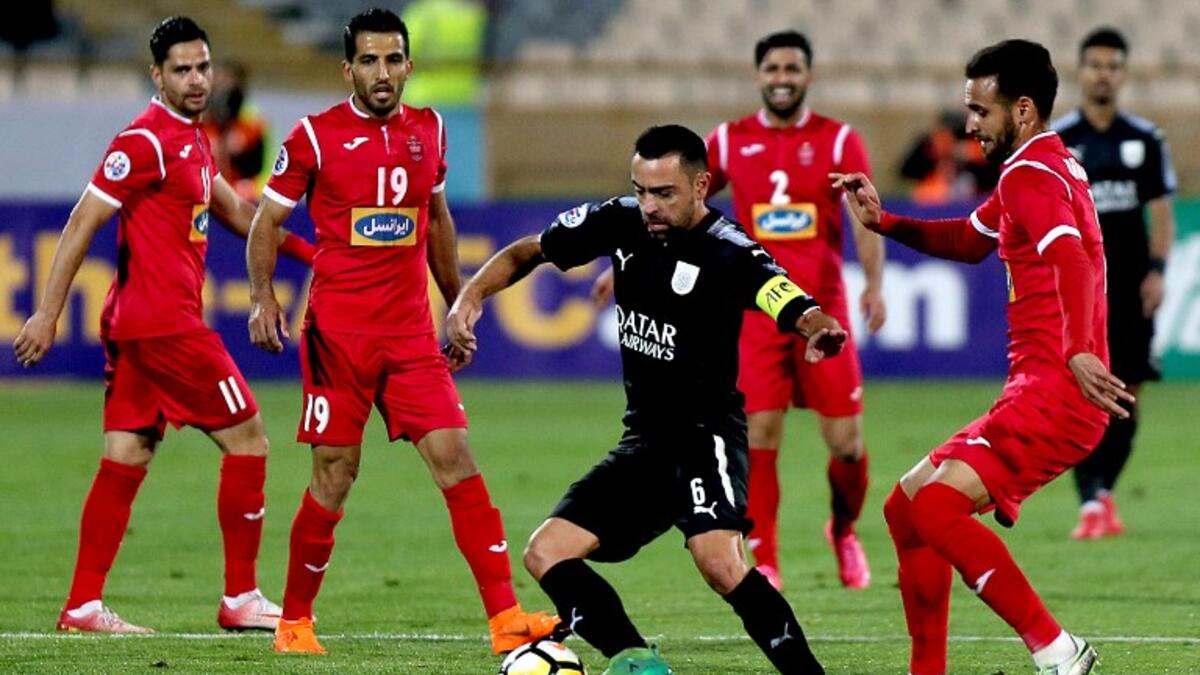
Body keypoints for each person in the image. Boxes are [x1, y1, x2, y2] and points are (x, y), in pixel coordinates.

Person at [449, 124, 841, 675]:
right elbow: (526, 252)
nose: (649, 206)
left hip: (705, 436)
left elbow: (781, 293)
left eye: (664, 193)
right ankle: (636, 662)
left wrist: (815, 325)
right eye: (641, 190)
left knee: (719, 563)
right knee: (545, 552)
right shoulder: (620, 222)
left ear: (701, 185)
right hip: (646, 444)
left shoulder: (728, 249)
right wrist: (469, 299)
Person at [245, 8, 556, 656]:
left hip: (412, 337)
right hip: (340, 338)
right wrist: (261, 298)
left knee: (457, 459)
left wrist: (457, 303)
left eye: (393, 60)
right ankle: (294, 622)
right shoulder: (314, 136)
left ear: (409, 65)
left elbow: (436, 217)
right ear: (347, 68)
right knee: (335, 474)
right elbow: (264, 223)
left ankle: (506, 617)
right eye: (369, 60)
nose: (383, 73)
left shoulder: (431, 129)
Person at [832, 39, 1130, 675]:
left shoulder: (1028, 175)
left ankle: (1057, 651)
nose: (968, 124)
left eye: (979, 110)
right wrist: (886, 222)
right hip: (1040, 387)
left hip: (1057, 390)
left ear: (1022, 110)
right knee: (905, 509)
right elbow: (970, 240)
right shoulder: (1045, 167)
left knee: (936, 508)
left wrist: (1077, 348)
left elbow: (1071, 258)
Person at [11, 16, 314, 634]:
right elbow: (81, 221)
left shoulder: (195, 139)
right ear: (157, 75)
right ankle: (241, 597)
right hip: (163, 325)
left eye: (203, 66)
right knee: (250, 438)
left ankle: (82, 605)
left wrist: (314, 254)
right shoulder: (144, 141)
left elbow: (239, 211)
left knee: (127, 452)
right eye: (182, 69)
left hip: (138, 325)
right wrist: (47, 312)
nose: (197, 79)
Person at [595, 30, 884, 591]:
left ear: (808, 76)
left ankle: (844, 531)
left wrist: (874, 284)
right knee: (761, 431)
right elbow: (677, 203)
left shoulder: (839, 140)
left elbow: (861, 217)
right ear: (758, 76)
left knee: (846, 441)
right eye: (773, 68)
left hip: (820, 308)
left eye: (792, 68)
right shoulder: (728, 140)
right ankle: (766, 555)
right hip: (753, 309)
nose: (782, 78)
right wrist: (625, 262)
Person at [1051, 27, 1177, 540]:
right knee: (1085, 395)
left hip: (1130, 287)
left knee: (1129, 393)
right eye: (1095, 64)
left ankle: (1102, 493)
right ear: (1081, 71)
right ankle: (1090, 500)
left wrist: (1159, 270)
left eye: (1112, 65)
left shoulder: (1145, 139)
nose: (1104, 73)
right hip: (1082, 290)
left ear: (1122, 74)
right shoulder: (1060, 139)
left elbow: (1161, 209)